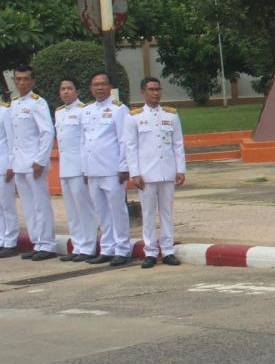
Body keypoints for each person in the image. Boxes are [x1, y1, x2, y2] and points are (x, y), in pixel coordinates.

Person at [125, 78, 187, 268]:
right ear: (143, 92)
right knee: (149, 213)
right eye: (151, 90)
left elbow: (178, 143)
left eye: (157, 89)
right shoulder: (134, 116)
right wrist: (135, 173)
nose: (155, 93)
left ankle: (168, 250)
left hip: (167, 171)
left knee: (167, 212)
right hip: (146, 173)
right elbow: (131, 147)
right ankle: (150, 251)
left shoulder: (171, 115)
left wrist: (180, 169)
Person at [6, 64, 57, 260]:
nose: (21, 82)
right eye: (18, 79)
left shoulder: (38, 102)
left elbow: (47, 132)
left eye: (25, 79)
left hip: (34, 161)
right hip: (19, 162)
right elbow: (13, 138)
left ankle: (47, 244)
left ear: (32, 81)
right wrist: (11, 162)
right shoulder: (15, 104)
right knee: (28, 205)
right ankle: (37, 242)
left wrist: (40, 159)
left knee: (40, 204)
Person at [81, 72, 133, 267]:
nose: (99, 88)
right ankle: (107, 248)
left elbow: (124, 140)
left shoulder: (119, 109)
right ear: (90, 88)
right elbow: (83, 142)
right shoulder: (86, 110)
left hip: (112, 169)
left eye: (103, 84)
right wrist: (85, 169)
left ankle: (122, 248)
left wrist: (123, 166)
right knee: (101, 211)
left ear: (110, 87)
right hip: (93, 169)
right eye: (95, 85)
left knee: (117, 210)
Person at [55, 77, 96, 261]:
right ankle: (78, 246)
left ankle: (88, 247)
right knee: (72, 211)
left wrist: (86, 168)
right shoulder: (59, 112)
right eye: (63, 89)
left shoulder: (83, 111)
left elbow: (86, 141)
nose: (65, 92)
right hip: (65, 167)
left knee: (84, 209)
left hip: (79, 167)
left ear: (77, 92)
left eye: (69, 88)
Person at [0, 94, 18, 258]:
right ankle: (1, 239)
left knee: (7, 205)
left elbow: (12, 140)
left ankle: (10, 241)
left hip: (3, 164)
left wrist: (12, 165)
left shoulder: (5, 111)